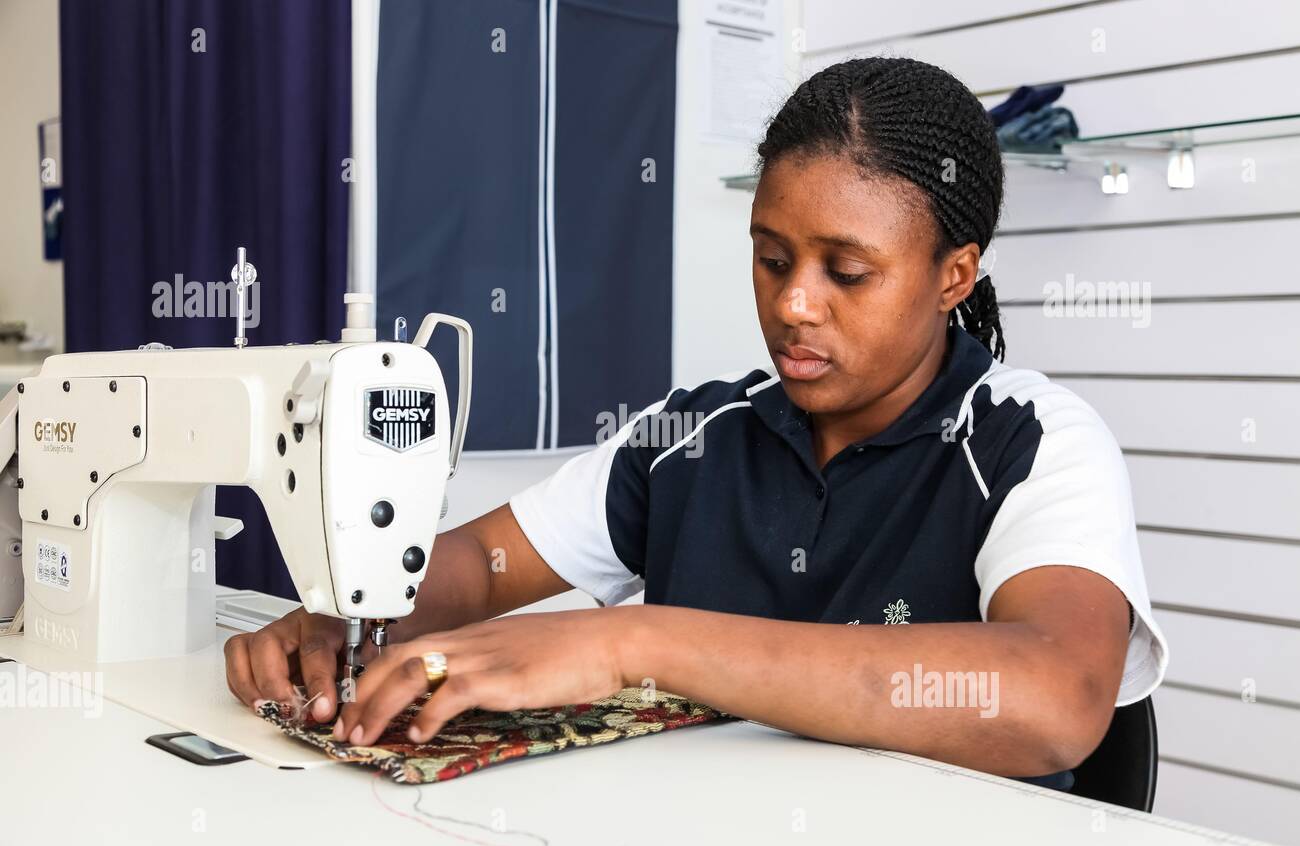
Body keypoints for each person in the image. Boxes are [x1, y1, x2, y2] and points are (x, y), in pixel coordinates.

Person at [225, 57, 1167, 791]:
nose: (794, 304)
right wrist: (345, 619)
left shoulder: (1033, 440)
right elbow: (478, 567)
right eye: (771, 258)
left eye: (846, 272)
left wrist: (634, 642)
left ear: (953, 276)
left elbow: (1055, 696)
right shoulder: (686, 439)